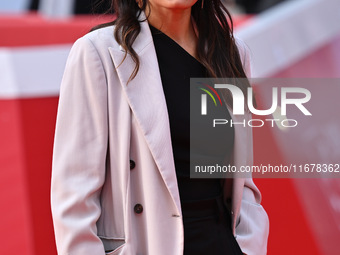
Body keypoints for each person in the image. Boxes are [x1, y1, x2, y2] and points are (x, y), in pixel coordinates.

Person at [50, 0, 269, 254]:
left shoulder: (232, 52)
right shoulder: (98, 52)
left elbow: (243, 182)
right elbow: (75, 199)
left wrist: (249, 245)